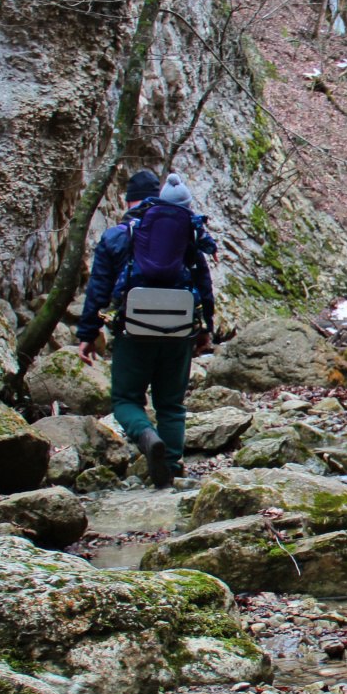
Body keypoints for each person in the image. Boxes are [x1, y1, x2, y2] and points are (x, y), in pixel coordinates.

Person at [76, 169, 216, 487]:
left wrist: (86, 334)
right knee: (171, 403)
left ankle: (146, 435)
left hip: (133, 330)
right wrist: (206, 329)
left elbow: (98, 290)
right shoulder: (186, 233)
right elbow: (203, 285)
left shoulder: (117, 236)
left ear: (129, 201)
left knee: (126, 400)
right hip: (179, 332)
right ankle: (171, 466)